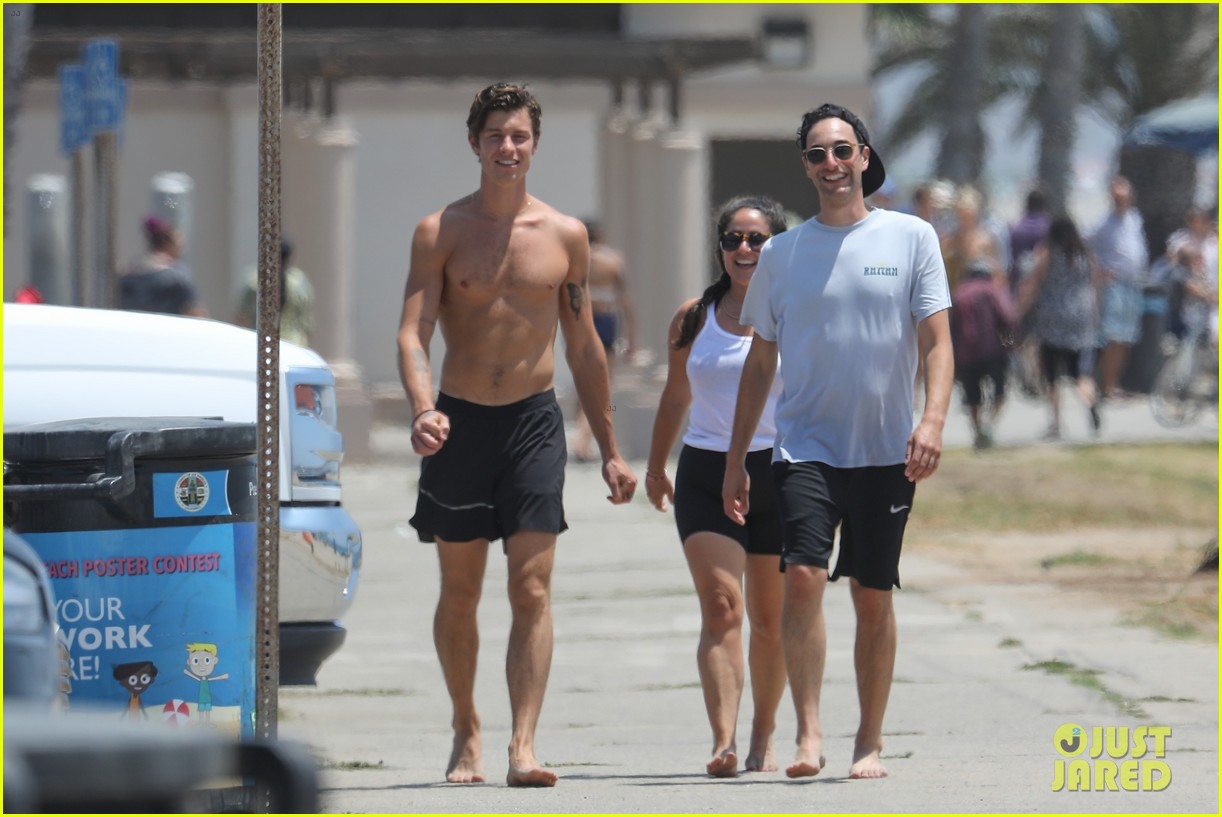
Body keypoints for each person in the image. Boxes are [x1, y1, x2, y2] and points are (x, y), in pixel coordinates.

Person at [395, 82, 636, 788]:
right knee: (461, 590)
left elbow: (585, 345)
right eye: (496, 134)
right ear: (475, 143)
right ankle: (467, 725)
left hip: (533, 421)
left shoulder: (565, 236)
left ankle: (522, 743)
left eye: (520, 135)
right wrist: (420, 407)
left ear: (535, 144)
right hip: (459, 421)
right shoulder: (440, 231)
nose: (508, 146)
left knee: (531, 588)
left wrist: (612, 448)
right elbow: (414, 330)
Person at [721, 103, 953, 780]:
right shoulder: (783, 254)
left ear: (863, 156)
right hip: (805, 447)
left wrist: (932, 420)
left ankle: (869, 739)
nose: (831, 164)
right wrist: (737, 459)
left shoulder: (910, 239)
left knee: (872, 594)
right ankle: (809, 731)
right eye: (818, 154)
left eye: (842, 151)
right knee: (802, 577)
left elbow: (937, 343)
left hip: (887, 451)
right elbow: (761, 360)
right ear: (805, 167)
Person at [644, 195, 789, 778]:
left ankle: (764, 734)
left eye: (756, 239)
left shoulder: (794, 311)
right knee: (723, 605)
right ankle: (723, 738)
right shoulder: (693, 317)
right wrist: (656, 468)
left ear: (775, 246)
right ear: (719, 248)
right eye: (733, 239)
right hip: (705, 471)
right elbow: (676, 396)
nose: (744, 249)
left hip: (778, 471)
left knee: (772, 620)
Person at [1017, 214, 1101, 439]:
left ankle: (1056, 424)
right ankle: (1090, 402)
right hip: (1080, 318)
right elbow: (1095, 284)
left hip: (1052, 320)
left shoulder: (1048, 253)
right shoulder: (1085, 254)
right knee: (1079, 373)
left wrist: (1018, 311)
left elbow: (1033, 284)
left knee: (1051, 374)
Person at [571, 219, 636, 461]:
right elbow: (626, 301)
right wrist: (632, 338)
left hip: (582, 322)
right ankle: (585, 437)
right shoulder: (613, 261)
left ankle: (585, 437)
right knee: (604, 385)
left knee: (584, 383)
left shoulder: (576, 260)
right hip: (606, 321)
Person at [1089, 175, 1148, 400]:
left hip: (1133, 284)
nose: (1120, 202)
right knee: (1112, 336)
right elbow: (1085, 245)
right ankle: (1105, 385)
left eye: (1123, 197)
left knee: (1125, 337)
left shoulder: (1135, 219)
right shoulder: (1103, 222)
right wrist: (1099, 270)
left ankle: (1112, 384)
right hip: (1115, 286)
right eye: (1116, 198)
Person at [949, 259, 1019, 449]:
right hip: (993, 351)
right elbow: (1008, 318)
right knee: (1000, 392)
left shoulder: (959, 293)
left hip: (965, 354)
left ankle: (978, 431)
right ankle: (988, 427)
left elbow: (950, 327)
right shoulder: (992, 290)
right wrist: (1011, 344)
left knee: (973, 396)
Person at [118, 215, 207, 317]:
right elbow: (195, 312)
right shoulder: (178, 275)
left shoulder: (128, 272)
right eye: (180, 245)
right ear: (168, 243)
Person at [234, 238, 315, 348]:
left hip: (261, 345)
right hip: (294, 345)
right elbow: (306, 325)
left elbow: (241, 318)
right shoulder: (300, 283)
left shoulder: (254, 280)